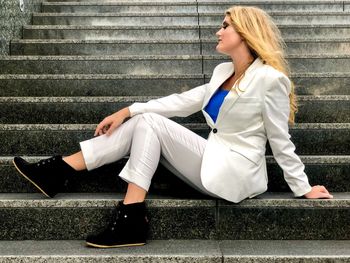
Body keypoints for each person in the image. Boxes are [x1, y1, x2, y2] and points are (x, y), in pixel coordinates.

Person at [12, 5, 333, 249]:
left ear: (246, 33)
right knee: (144, 121)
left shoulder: (271, 80)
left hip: (236, 170)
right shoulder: (223, 72)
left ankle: (114, 203)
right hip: (213, 158)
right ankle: (67, 175)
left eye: (225, 26)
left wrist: (302, 186)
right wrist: (127, 110)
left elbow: (280, 139)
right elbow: (180, 102)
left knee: (149, 123)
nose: (218, 32)